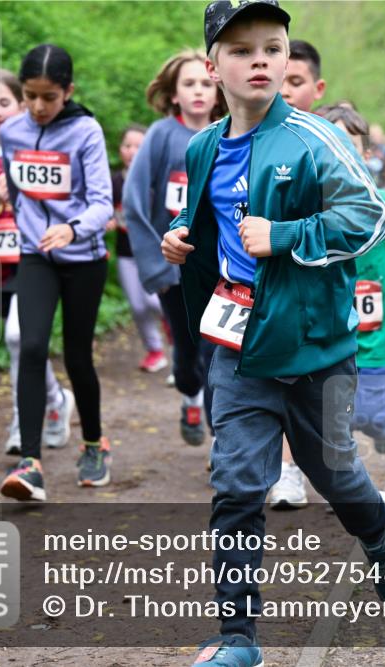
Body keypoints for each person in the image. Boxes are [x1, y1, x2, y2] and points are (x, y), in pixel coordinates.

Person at [160, 2, 385, 663]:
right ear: (212, 66)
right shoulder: (203, 145)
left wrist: (287, 236)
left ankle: (380, 533)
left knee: (337, 475)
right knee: (237, 484)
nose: (262, 59)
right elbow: (209, 225)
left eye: (273, 46)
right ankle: (237, 638)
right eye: (242, 50)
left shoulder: (312, 138)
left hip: (316, 351)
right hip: (237, 349)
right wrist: (182, 242)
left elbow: (372, 218)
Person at [0, 44, 114, 501]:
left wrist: (71, 228)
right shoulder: (12, 131)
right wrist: (34, 230)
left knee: (77, 356)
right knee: (29, 346)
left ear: (68, 91)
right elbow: (16, 190)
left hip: (84, 258)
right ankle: (30, 463)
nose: (39, 107)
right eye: (30, 96)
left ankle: (94, 444)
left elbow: (103, 202)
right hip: (35, 256)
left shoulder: (86, 132)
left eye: (49, 97)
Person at [0, 68, 75, 455]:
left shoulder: (36, 148)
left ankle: (23, 423)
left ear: (22, 104)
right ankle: (56, 400)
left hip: (34, 260)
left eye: (3, 102)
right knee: (23, 345)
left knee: (17, 337)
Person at [123, 48, 221, 446]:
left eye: (205, 83)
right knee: (187, 352)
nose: (198, 91)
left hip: (219, 267)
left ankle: (222, 440)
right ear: (174, 94)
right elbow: (133, 200)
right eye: (189, 84)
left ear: (218, 89)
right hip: (174, 268)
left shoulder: (230, 131)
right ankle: (189, 396)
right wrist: (156, 267)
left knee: (217, 353)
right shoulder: (161, 134)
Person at [319, 103, 385, 453]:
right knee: (337, 417)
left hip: (376, 327)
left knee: (372, 418)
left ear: (365, 154)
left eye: (347, 144)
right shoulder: (309, 209)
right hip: (331, 328)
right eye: (329, 144)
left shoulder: (383, 204)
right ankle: (349, 489)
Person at [267, 37, 327, 508]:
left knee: (320, 408)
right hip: (257, 299)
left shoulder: (325, 143)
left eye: (296, 82)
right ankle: (285, 472)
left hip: (319, 296)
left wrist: (284, 236)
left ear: (317, 87)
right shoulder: (226, 140)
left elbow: (367, 217)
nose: (284, 90)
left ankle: (357, 499)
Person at [110, 123, 170, 374]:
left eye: (139, 145)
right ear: (120, 149)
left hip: (157, 252)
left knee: (156, 304)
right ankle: (155, 350)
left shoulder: (158, 178)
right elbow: (106, 210)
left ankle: (175, 332)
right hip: (126, 254)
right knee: (137, 305)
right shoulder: (114, 181)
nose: (132, 151)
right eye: (127, 145)